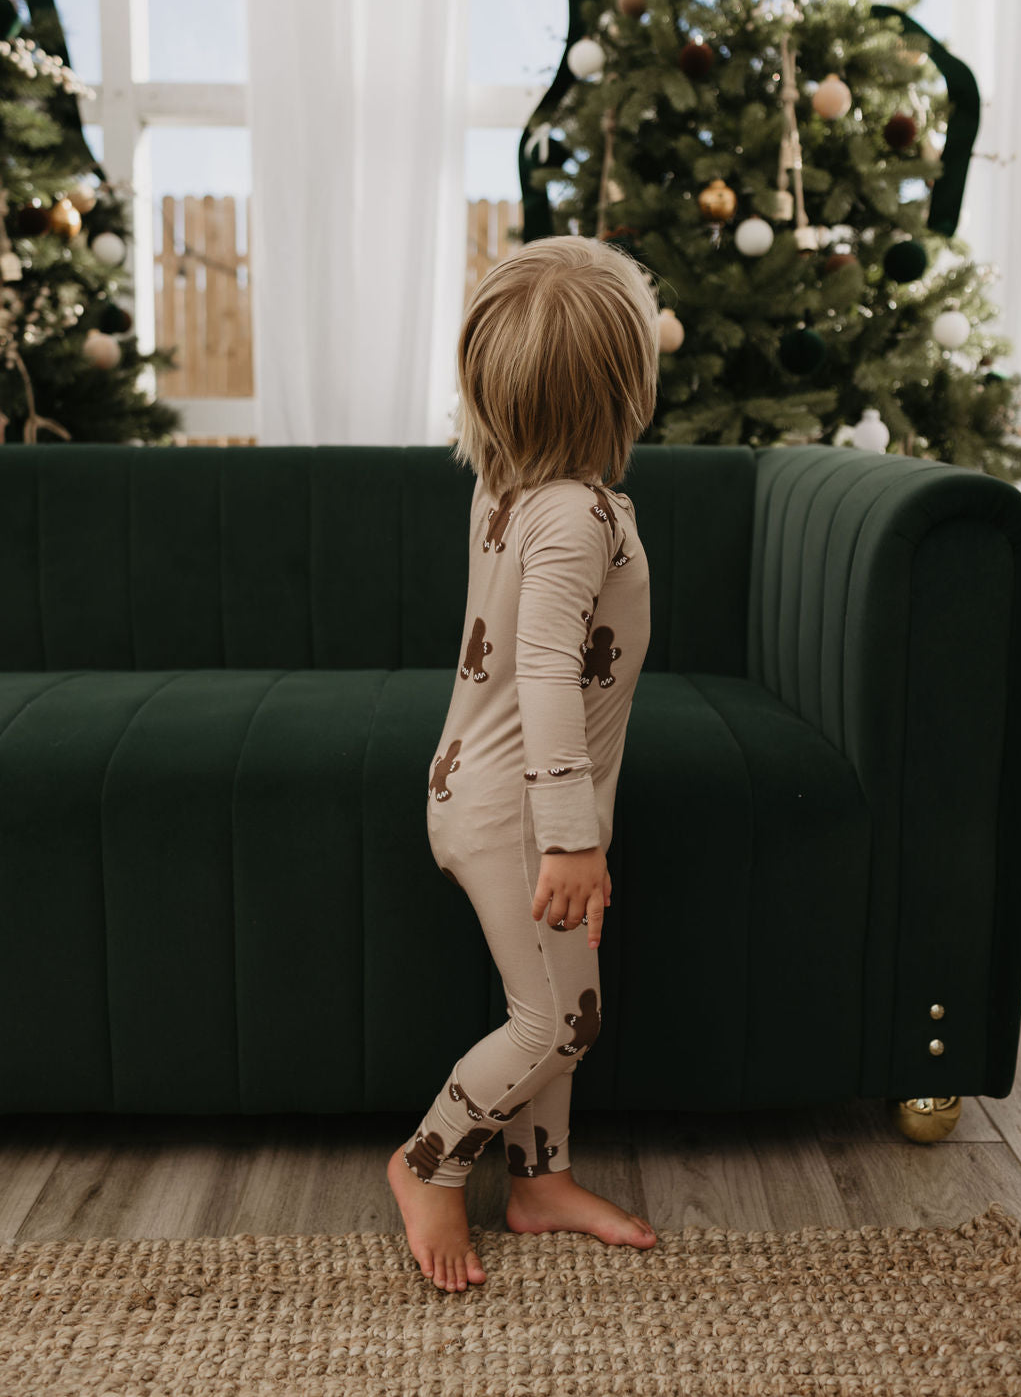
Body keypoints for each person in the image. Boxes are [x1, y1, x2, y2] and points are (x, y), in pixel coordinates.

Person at [387, 233, 661, 1293]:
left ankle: (539, 1181)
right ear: (623, 387)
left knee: (563, 1005)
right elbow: (546, 671)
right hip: (521, 813)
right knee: (555, 1019)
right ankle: (428, 1159)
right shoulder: (578, 518)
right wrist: (571, 835)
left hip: (486, 788)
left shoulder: (507, 483)